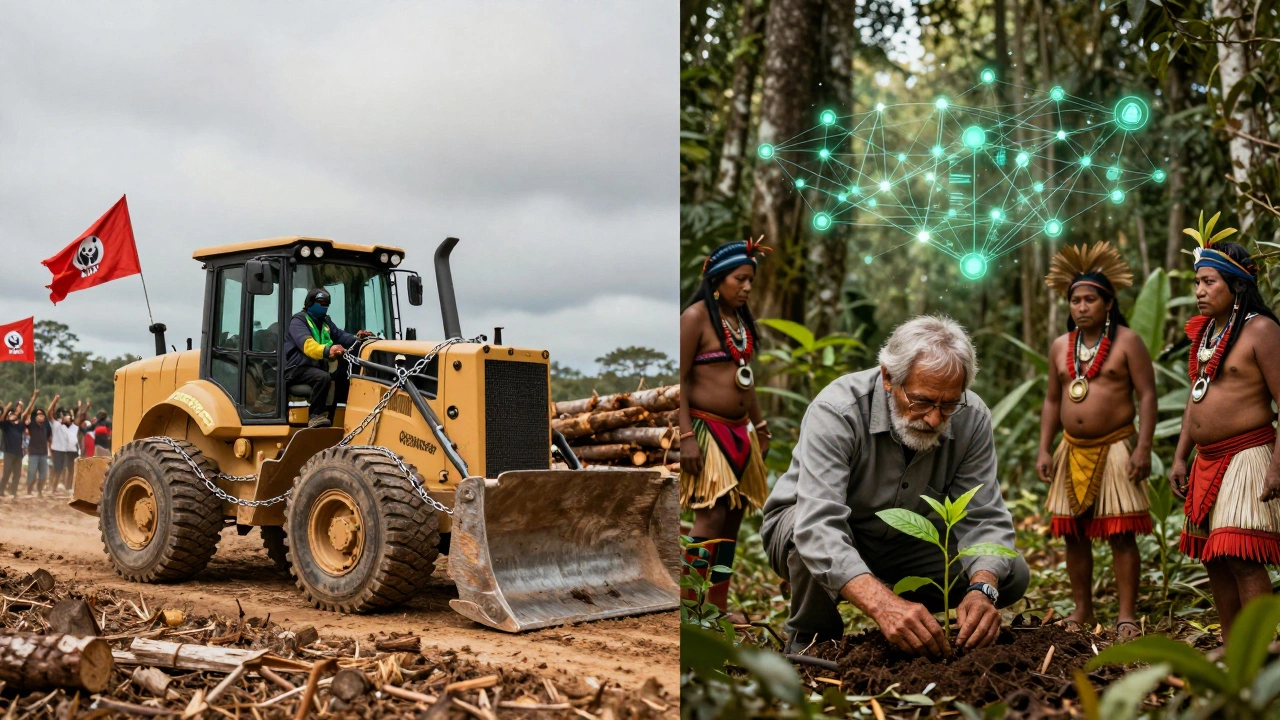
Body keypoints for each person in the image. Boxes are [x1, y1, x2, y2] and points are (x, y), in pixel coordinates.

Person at [761, 316, 1029, 657]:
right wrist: (881, 604)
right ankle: (812, 638)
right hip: (818, 528)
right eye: (921, 401)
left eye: (948, 405)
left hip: (905, 542)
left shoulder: (972, 417)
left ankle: (913, 620)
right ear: (888, 378)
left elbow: (984, 517)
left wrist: (982, 590)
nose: (934, 418)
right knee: (806, 536)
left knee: (1010, 572)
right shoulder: (837, 410)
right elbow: (818, 526)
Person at [1170, 212, 1280, 640]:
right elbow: (1194, 399)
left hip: (1247, 453)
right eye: (1196, 282)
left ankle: (1265, 655)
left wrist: (1276, 465)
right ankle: (1237, 654)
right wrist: (1181, 455)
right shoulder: (1205, 335)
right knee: (1214, 558)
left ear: (1236, 286)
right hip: (1205, 458)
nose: (1199, 291)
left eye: (1209, 282)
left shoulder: (1261, 331)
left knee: (1240, 555)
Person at [1038, 243, 1156, 639]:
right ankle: (1082, 608)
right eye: (1075, 299)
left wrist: (1143, 448)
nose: (1082, 306)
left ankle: (1125, 614)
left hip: (1118, 444)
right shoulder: (1060, 346)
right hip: (1071, 448)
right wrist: (1043, 448)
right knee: (1074, 533)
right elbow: (1053, 399)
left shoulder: (1128, 342)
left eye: (1090, 299)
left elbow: (1148, 395)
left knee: (1120, 534)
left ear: (1108, 303)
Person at [678, 238, 771, 616]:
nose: (747, 287)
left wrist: (761, 425)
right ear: (718, 279)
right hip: (706, 430)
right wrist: (686, 436)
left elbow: (746, 379)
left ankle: (716, 605)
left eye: (750, 280)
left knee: (731, 520)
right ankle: (691, 606)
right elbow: (680, 380)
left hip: (740, 430)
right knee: (711, 516)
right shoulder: (695, 318)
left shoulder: (739, 323)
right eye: (740, 279)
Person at [284, 288, 372, 428]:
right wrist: (328, 350)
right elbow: (308, 345)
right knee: (323, 378)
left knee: (342, 377)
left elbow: (340, 336)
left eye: (326, 303)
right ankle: (315, 417)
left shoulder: (325, 322)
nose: (324, 306)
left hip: (315, 367)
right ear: (310, 302)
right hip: (297, 368)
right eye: (321, 302)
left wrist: (357, 338)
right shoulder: (298, 321)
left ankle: (331, 417)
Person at [0, 390, 35, 498]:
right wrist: (6, 409)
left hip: (18, 453)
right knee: (6, 473)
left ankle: (13, 493)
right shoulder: (6, 425)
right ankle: (1, 492)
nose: (12, 416)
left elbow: (25, 415)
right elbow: (1, 418)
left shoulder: (19, 426)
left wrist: (32, 400)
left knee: (17, 474)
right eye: (10, 415)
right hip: (8, 453)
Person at [50, 400, 87, 493]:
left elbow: (79, 417)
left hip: (72, 451)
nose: (69, 418)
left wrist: (80, 407)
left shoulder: (73, 426)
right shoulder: (60, 425)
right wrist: (54, 402)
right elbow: (50, 413)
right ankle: (55, 486)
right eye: (67, 416)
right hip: (63, 451)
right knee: (61, 469)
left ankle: (66, 487)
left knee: (70, 469)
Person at [25, 400, 54, 496]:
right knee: (32, 474)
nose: (41, 417)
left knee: (43, 475)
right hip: (33, 453)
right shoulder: (31, 425)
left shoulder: (46, 427)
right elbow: (27, 414)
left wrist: (51, 451)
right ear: (35, 417)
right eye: (39, 415)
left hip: (44, 453)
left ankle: (39, 490)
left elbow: (49, 438)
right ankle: (29, 490)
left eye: (42, 415)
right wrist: (33, 399)